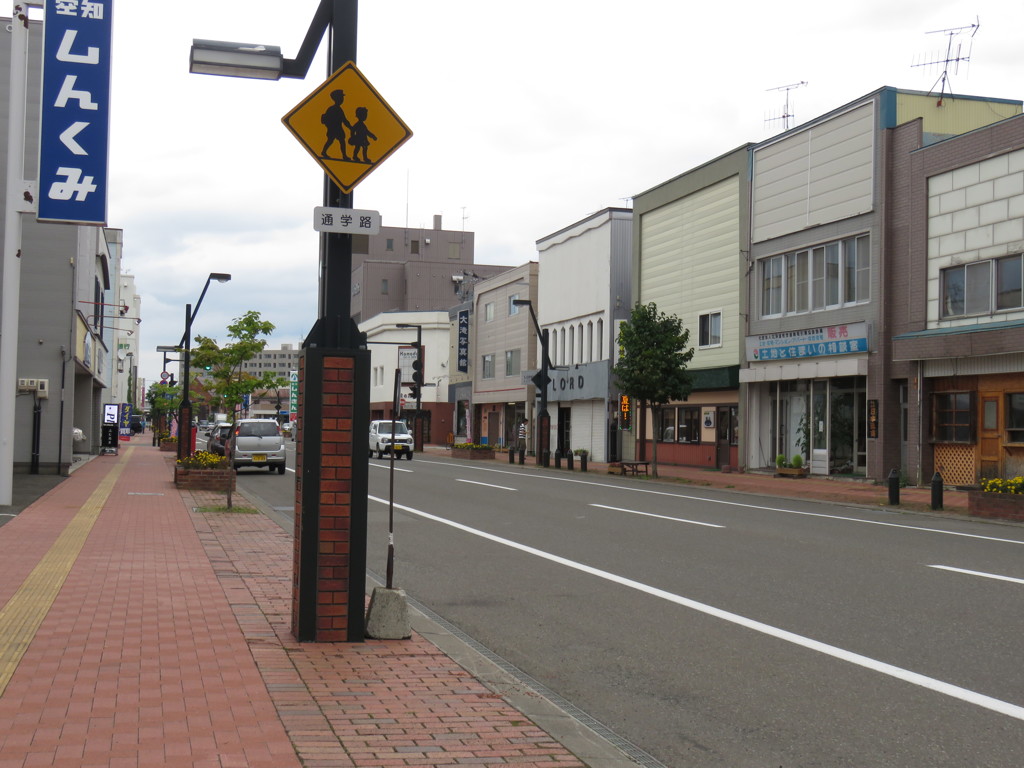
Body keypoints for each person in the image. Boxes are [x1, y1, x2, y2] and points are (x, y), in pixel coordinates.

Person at [320, 89, 351, 160]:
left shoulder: (338, 109)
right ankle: (324, 152)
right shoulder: (333, 109)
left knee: (340, 141)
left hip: (338, 129)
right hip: (334, 129)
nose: (342, 99)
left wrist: (350, 127)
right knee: (332, 140)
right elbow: (343, 120)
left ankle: (344, 155)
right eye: (341, 97)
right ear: (337, 98)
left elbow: (344, 120)